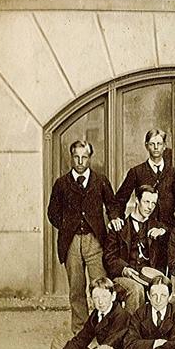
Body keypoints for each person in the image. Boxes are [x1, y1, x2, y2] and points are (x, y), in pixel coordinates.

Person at [48, 139, 121, 333]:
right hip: (71, 242)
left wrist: (113, 218)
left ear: (90, 158)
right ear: (71, 158)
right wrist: (67, 227)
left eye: (84, 157)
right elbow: (52, 212)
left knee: (101, 287)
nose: (80, 161)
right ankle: (80, 331)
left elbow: (112, 204)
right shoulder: (61, 183)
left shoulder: (100, 180)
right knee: (76, 289)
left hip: (95, 241)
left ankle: (104, 328)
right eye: (76, 157)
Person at [49, 277, 130, 349]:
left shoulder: (121, 315)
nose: (100, 301)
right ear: (91, 299)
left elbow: (109, 344)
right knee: (58, 341)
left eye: (104, 296)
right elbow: (82, 338)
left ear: (113, 296)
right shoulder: (96, 314)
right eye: (96, 297)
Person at [103, 185, 168, 314]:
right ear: (137, 200)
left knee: (162, 289)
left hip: (148, 278)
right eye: (146, 202)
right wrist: (124, 269)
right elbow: (109, 258)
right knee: (136, 289)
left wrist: (163, 233)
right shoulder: (119, 226)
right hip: (122, 278)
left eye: (153, 203)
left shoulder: (157, 227)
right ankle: (131, 331)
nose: (150, 207)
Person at [113, 129, 175, 237]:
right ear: (146, 146)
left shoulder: (172, 173)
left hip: (168, 230)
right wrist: (116, 218)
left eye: (159, 144)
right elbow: (120, 199)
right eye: (152, 144)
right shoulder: (136, 172)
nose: (155, 147)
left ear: (164, 146)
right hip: (144, 231)